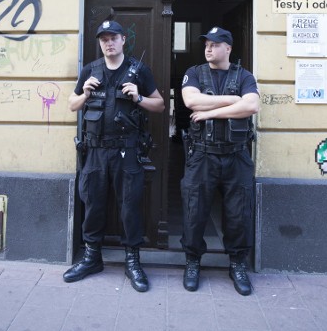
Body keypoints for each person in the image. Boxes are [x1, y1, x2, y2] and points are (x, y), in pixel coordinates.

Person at [64, 20, 165, 292]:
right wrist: (84, 93)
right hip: (95, 150)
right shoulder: (90, 70)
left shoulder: (138, 70)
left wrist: (139, 98)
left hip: (126, 150)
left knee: (129, 206)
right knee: (93, 204)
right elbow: (71, 105)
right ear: (100, 43)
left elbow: (160, 104)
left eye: (113, 38)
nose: (108, 43)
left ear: (123, 40)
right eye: (103, 39)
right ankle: (92, 257)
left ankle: (132, 260)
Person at [180, 26, 259, 296]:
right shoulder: (194, 73)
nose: (208, 49)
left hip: (236, 156)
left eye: (215, 44)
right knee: (194, 211)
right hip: (202, 154)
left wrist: (210, 110)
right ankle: (192, 261)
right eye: (206, 44)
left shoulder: (244, 75)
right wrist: (230, 102)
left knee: (238, 214)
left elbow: (251, 106)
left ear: (228, 48)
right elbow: (191, 100)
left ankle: (237, 264)